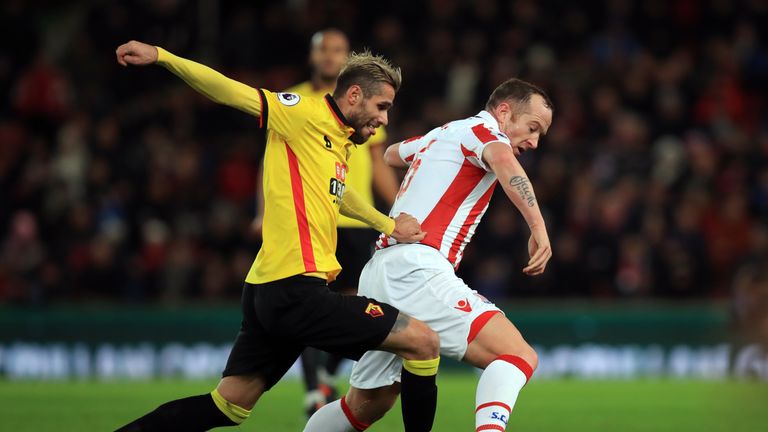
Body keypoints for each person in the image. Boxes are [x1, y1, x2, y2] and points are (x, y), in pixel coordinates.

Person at [113, 40, 440, 432]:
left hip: (268, 290)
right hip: (295, 290)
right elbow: (229, 90)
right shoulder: (301, 113)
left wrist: (388, 224)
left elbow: (338, 192)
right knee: (423, 342)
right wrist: (162, 57)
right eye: (382, 107)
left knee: (227, 406)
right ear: (355, 94)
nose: (385, 120)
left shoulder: (340, 140)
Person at [304, 78, 554, 432]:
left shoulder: (444, 134)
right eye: (532, 128)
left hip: (380, 270)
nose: (534, 141)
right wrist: (538, 227)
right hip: (417, 269)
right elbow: (503, 161)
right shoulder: (486, 132)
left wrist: (431, 150)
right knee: (516, 355)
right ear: (503, 112)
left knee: (365, 405)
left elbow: (392, 154)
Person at [253, 28, 402, 417]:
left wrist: (395, 213)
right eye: (325, 50)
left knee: (354, 302)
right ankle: (311, 388)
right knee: (310, 298)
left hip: (354, 222)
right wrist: (262, 210)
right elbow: (270, 161)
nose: (331, 57)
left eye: (338, 50)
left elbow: (375, 164)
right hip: (308, 219)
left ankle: (323, 376)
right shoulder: (298, 100)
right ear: (313, 56)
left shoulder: (366, 107)